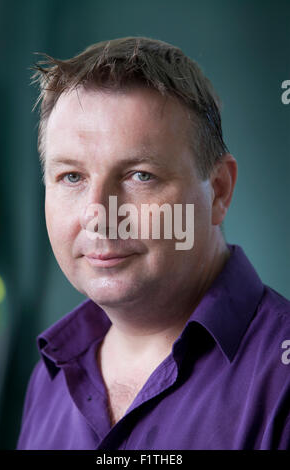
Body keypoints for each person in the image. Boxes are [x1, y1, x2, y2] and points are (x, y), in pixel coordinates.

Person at [16, 36, 290, 450]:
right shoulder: (49, 376)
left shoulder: (281, 377)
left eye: (139, 176)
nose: (98, 215)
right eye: (71, 176)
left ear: (218, 191)